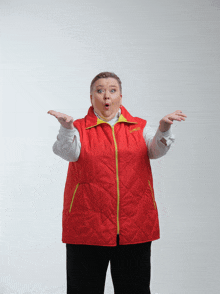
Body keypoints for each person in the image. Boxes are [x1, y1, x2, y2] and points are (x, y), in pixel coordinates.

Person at [47, 72, 187, 294]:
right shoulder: (79, 129)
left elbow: (156, 150)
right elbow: (68, 153)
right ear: (91, 97)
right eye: (100, 90)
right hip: (86, 228)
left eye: (112, 90)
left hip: (135, 227)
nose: (106, 96)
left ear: (121, 96)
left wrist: (163, 129)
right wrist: (66, 129)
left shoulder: (140, 127)